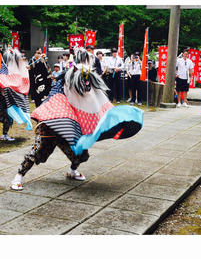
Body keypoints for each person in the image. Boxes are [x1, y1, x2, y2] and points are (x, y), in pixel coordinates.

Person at [10, 47, 143, 191]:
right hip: (53, 122)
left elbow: (97, 100)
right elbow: (59, 92)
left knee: (81, 152)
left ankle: (72, 171)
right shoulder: (66, 78)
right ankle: (18, 177)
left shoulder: (88, 79)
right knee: (37, 151)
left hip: (69, 127)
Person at [0, 47, 32, 141]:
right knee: (6, 118)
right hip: (3, 100)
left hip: (6, 100)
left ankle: (5, 134)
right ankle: (4, 135)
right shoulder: (3, 70)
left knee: (8, 117)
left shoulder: (7, 70)